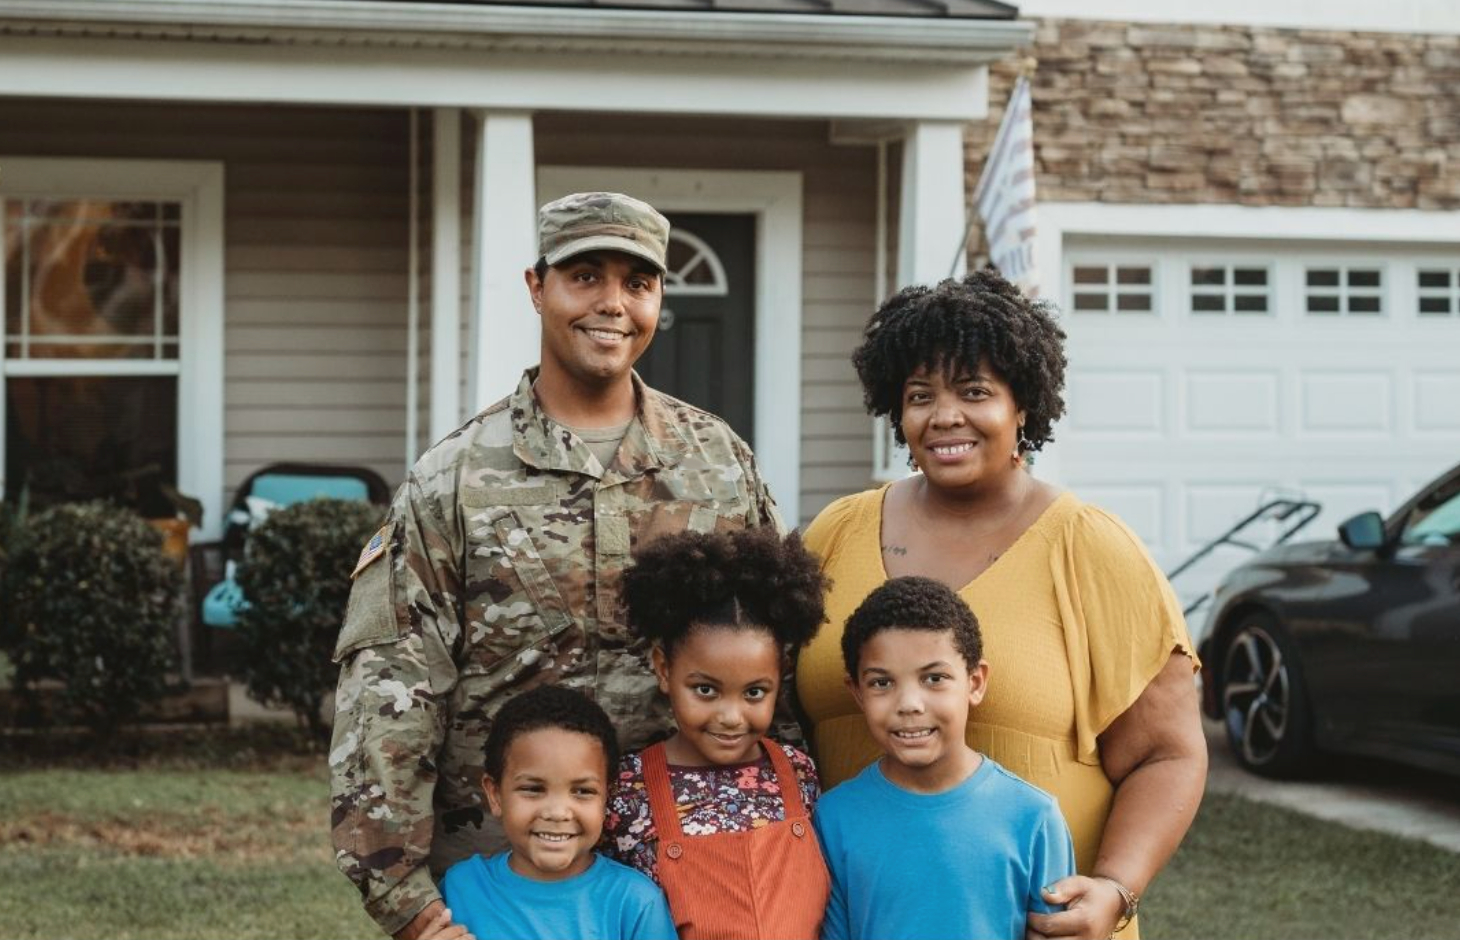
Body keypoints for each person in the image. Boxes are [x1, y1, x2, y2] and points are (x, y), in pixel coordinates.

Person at [329, 192, 785, 939]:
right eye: (586, 276)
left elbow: (777, 667)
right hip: (499, 879)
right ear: (537, 286)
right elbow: (389, 692)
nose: (612, 304)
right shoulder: (455, 478)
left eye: (637, 283)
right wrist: (402, 900)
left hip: (687, 863)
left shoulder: (718, 465)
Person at [796, 269, 1207, 940]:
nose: (945, 415)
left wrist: (1115, 889)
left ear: (1023, 405)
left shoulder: (1089, 547)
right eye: (920, 394)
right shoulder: (836, 532)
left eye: (975, 391)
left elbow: (1169, 754)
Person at [816, 575, 1076, 940]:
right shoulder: (833, 818)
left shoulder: (1034, 817)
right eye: (881, 683)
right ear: (857, 692)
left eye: (934, 678)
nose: (909, 704)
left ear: (975, 682)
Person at [602, 528, 830, 940]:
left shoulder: (798, 772)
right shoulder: (627, 790)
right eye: (705, 690)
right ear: (664, 669)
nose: (730, 716)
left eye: (755, 692)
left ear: (783, 676)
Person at [426, 685, 677, 940]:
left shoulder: (634, 901)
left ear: (607, 798)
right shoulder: (462, 888)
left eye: (583, 791)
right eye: (533, 789)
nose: (557, 813)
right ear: (495, 795)